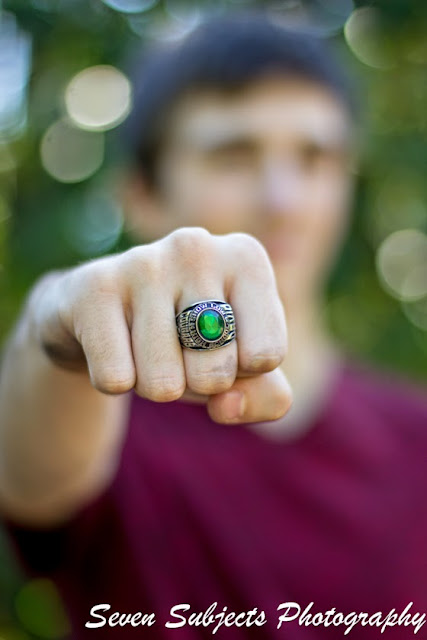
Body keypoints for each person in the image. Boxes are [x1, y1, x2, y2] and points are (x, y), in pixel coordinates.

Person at [1, 13, 427, 640]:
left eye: (314, 158)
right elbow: (27, 470)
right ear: (142, 196)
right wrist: (56, 319)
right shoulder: (100, 420)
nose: (283, 199)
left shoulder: (417, 439)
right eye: (234, 155)